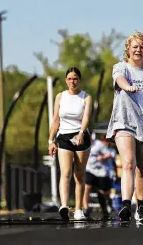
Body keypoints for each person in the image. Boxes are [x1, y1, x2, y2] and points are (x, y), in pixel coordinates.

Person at [106, 31, 143, 221]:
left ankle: (141, 206)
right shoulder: (121, 67)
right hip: (124, 121)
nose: (138, 50)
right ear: (128, 49)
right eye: (135, 47)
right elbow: (120, 80)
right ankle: (125, 205)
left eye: (142, 47)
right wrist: (127, 87)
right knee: (128, 163)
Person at [48, 67, 92, 221]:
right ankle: (64, 205)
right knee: (65, 172)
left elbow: (86, 118)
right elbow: (55, 120)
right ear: (66, 80)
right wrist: (51, 140)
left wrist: (81, 132)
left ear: (79, 81)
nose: (72, 81)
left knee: (79, 175)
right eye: (69, 78)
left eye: (75, 78)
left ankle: (79, 209)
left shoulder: (86, 97)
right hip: (64, 137)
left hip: (80, 136)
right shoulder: (60, 97)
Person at [83, 134, 116, 220]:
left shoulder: (98, 144)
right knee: (87, 187)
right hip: (89, 170)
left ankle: (105, 207)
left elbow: (109, 154)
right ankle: (86, 208)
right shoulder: (82, 145)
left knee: (102, 193)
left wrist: (102, 157)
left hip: (101, 172)